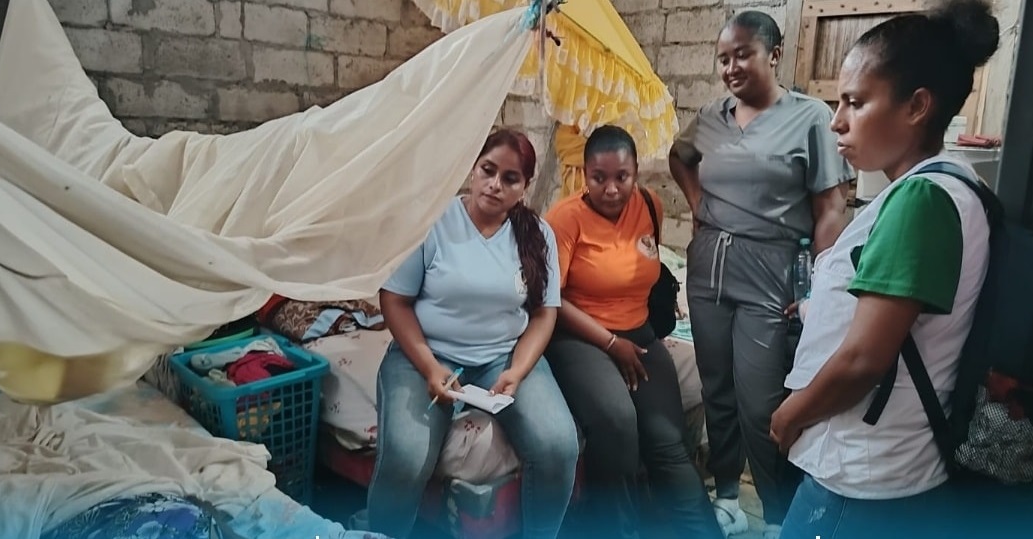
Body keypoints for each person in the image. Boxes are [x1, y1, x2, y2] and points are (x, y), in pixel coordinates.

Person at [768, 1, 1000, 537]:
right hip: (897, 469)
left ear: (916, 106)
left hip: (862, 479)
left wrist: (789, 416)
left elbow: (863, 360)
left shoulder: (921, 201)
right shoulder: (955, 186)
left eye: (855, 101)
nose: (837, 120)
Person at [667, 9, 855, 537]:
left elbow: (830, 209)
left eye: (742, 54)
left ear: (773, 55)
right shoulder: (712, 116)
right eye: (723, 58)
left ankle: (775, 513)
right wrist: (698, 202)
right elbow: (679, 157)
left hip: (770, 267)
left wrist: (818, 285)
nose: (730, 67)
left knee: (761, 399)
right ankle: (727, 495)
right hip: (709, 263)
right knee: (716, 387)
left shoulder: (810, 118)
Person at [364, 129, 580, 539]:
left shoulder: (537, 235)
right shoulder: (434, 222)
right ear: (474, 169)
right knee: (406, 457)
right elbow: (394, 300)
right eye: (488, 170)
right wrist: (430, 367)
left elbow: (543, 314)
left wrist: (517, 371)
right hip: (427, 354)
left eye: (510, 178)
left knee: (558, 444)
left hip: (503, 356)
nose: (495, 184)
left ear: (525, 186)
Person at [543, 125, 725, 539]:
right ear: (585, 174)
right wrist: (610, 343)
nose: (611, 189)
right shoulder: (565, 219)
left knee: (667, 441)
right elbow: (552, 301)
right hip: (579, 336)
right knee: (618, 424)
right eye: (598, 178)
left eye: (621, 177)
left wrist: (629, 338)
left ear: (636, 172)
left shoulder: (649, 205)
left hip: (638, 332)